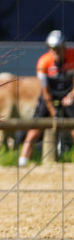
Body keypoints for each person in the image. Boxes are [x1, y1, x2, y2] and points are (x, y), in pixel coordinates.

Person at [19, 30, 74, 166]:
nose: (55, 51)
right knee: (34, 130)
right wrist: (53, 112)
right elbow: (45, 91)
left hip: (68, 96)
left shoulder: (73, 56)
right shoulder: (43, 62)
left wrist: (71, 95)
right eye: (52, 48)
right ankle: (22, 163)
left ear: (64, 47)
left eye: (58, 48)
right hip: (49, 96)